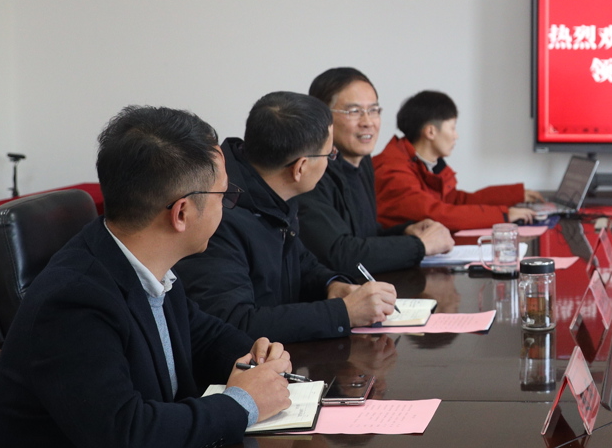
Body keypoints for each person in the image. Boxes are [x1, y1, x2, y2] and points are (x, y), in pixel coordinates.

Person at [0, 106, 294, 448]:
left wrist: (253, 354)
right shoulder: (73, 302)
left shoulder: (140, 257)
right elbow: (125, 439)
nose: (227, 206)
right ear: (181, 213)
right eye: (224, 195)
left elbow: (198, 332)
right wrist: (243, 403)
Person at [178, 92, 398, 341]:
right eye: (330, 154)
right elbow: (235, 323)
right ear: (300, 168)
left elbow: (300, 261)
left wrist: (332, 285)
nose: (331, 161)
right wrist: (344, 313)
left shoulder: (270, 190)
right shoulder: (218, 215)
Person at [298, 67, 455, 274]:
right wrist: (420, 245)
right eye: (354, 112)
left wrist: (406, 232)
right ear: (322, 118)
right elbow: (339, 255)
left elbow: (363, 237)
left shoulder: (362, 163)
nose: (367, 122)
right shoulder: (309, 172)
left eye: (373, 111)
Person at [372, 89, 544, 230]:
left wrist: (515, 195)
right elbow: (435, 214)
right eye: (452, 128)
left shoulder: (423, 165)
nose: (456, 136)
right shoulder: (392, 170)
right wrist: (503, 215)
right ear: (431, 132)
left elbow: (458, 201)